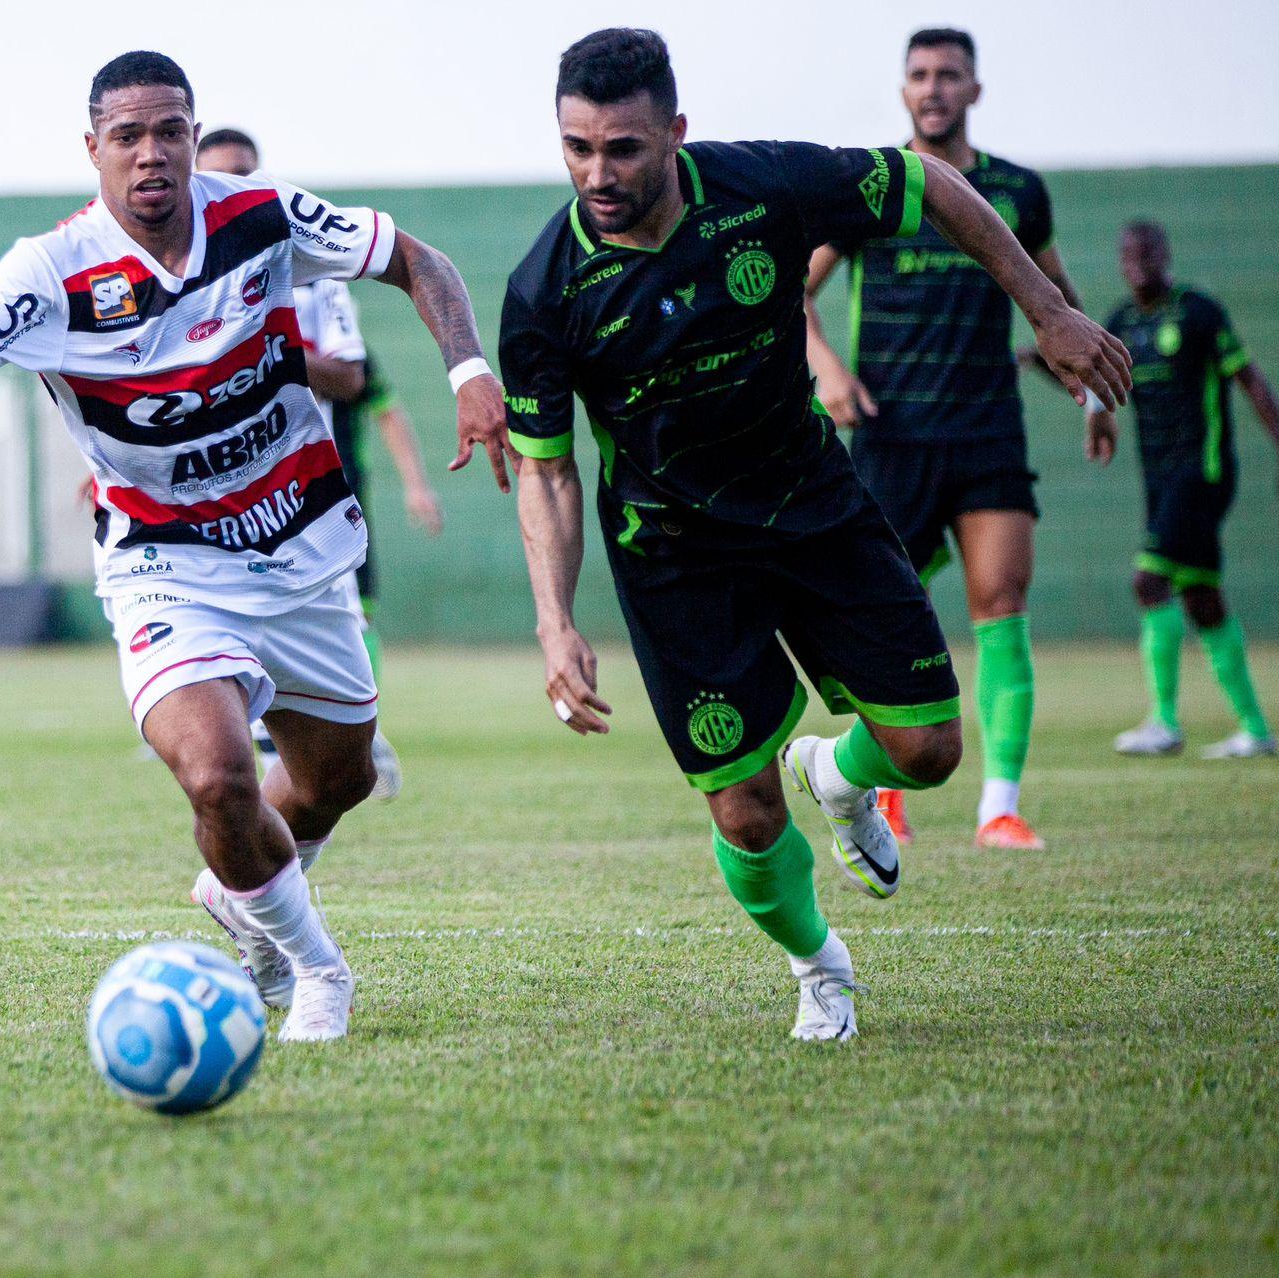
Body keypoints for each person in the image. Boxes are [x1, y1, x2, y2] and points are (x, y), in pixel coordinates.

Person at [0, 51, 508, 1042]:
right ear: (94, 150)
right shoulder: (52, 271)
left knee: (337, 778)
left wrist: (468, 370)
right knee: (216, 775)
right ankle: (315, 970)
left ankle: (239, 887)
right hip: (163, 564)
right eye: (127, 136)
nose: (151, 152)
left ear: (192, 133)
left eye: (169, 129)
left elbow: (417, 260)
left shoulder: (261, 215)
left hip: (300, 545)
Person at [501, 28, 1128, 1040]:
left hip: (812, 509)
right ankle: (817, 968)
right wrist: (552, 620)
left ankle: (837, 774)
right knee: (744, 810)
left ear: (675, 132)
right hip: (674, 556)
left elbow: (924, 184)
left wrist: (1046, 308)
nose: (596, 173)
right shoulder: (545, 292)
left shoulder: (766, 186)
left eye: (621, 148)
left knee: (924, 751)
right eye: (576, 148)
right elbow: (546, 468)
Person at [804, 28, 1107, 851]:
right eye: (919, 75)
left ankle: (998, 809)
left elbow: (1051, 297)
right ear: (903, 91)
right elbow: (790, 294)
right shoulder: (873, 185)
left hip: (986, 434)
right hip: (891, 440)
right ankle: (886, 789)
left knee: (1002, 601)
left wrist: (1092, 392)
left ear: (975, 90)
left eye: (949, 75)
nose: (933, 88)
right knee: (883, 613)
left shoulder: (1016, 190)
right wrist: (825, 364)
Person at [195, 129, 446, 800]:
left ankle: (362, 734)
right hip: (221, 488)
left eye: (245, 174)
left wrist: (266, 343)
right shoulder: (173, 282)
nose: (234, 187)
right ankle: (252, 744)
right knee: (226, 615)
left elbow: (360, 384)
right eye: (219, 175)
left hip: (317, 482)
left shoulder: (310, 275)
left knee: (348, 612)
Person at [1100, 221, 1279, 758]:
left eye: (1147, 252)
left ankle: (1164, 722)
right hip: (1159, 480)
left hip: (1201, 473)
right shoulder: (1122, 323)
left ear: (1165, 255)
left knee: (1148, 580)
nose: (1137, 263)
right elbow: (1092, 386)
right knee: (1201, 598)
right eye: (1128, 254)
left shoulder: (1198, 311)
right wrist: (1037, 360)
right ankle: (1254, 730)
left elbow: (1250, 380)